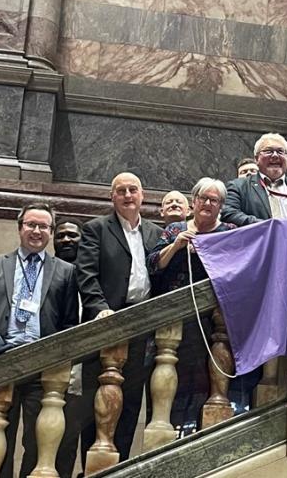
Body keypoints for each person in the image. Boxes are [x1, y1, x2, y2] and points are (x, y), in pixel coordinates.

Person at [0, 203, 79, 478]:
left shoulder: (65, 271)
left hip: (42, 366)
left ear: (51, 232)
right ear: (20, 228)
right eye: (31, 225)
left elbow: (69, 323)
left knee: (39, 442)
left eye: (43, 226)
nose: (37, 231)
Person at [77, 172, 163, 465]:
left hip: (141, 323)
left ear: (143, 196)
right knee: (96, 401)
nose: (128, 195)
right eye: (121, 191)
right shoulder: (96, 229)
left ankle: (121, 466)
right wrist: (99, 308)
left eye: (133, 190)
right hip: (105, 321)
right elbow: (86, 276)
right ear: (112, 197)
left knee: (130, 401)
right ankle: (92, 465)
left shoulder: (155, 232)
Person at [147, 178, 237, 433]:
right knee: (169, 376)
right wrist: (177, 246)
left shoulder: (228, 230)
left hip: (210, 321)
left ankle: (197, 430)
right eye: (203, 198)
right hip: (173, 317)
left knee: (203, 379)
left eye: (215, 200)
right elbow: (153, 264)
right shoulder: (175, 230)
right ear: (194, 202)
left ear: (221, 206)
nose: (208, 204)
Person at [221, 133, 287, 226]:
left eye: (281, 152)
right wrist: (269, 227)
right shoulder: (239, 186)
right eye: (268, 151)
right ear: (256, 159)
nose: (275, 155)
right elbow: (229, 213)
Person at [52, 218, 84, 478]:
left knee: (70, 434)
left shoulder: (88, 273)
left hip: (82, 363)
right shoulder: (47, 272)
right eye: (60, 235)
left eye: (72, 235)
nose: (66, 240)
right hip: (49, 359)